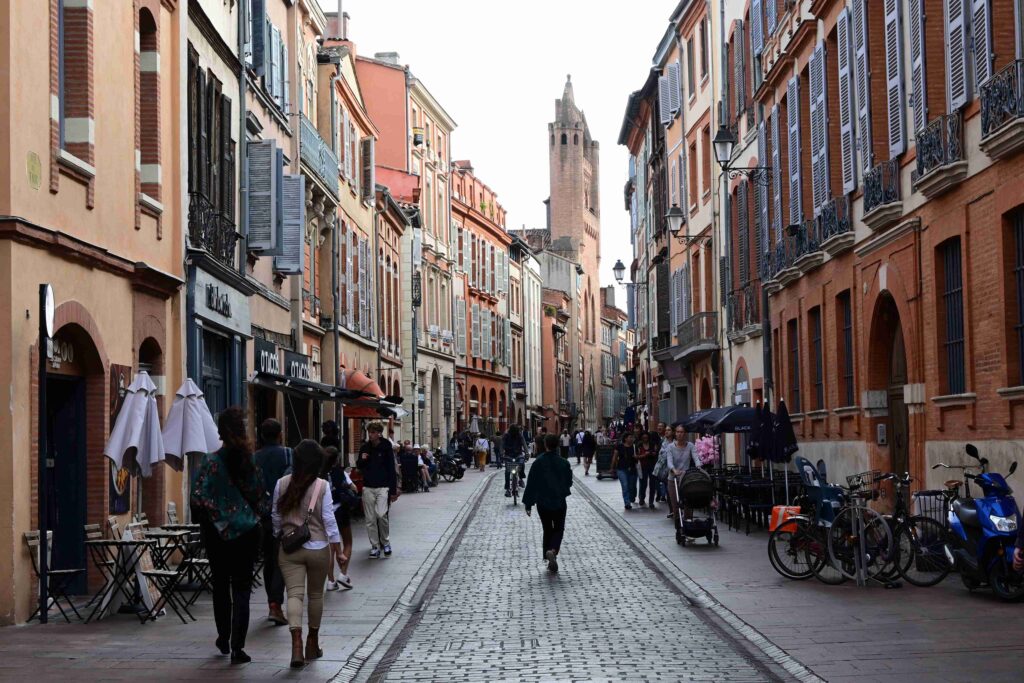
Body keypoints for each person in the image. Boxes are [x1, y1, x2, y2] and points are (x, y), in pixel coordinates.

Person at [190, 407, 265, 664]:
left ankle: (223, 636)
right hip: (246, 532)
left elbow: (197, 497)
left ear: (220, 431)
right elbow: (258, 494)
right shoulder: (249, 460)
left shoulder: (210, 462)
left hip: (217, 535)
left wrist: (216, 514)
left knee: (220, 586)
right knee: (242, 589)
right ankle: (238, 647)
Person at [272, 440, 344, 668]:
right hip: (317, 548)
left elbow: (275, 515)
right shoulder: (322, 486)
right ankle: (312, 643)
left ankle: (296, 645)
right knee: (315, 596)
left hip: (290, 549)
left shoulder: (281, 483)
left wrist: (280, 533)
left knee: (293, 595)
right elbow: (329, 520)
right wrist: (338, 550)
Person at [253, 419, 291, 625]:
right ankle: (276, 605)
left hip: (261, 517)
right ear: (279, 434)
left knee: (269, 561)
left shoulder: (253, 458)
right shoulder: (288, 454)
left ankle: (272, 604)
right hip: (284, 516)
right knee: (282, 561)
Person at [523, 433, 573, 573]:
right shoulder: (564, 462)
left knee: (547, 528)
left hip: (543, 502)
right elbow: (569, 482)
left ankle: (547, 553)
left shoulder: (538, 462)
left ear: (545, 445)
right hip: (558, 501)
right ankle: (553, 550)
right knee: (559, 528)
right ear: (557, 445)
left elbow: (532, 483)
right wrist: (562, 490)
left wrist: (528, 504)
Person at [357, 422, 398, 558]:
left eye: (373, 432)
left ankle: (385, 542)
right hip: (368, 487)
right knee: (370, 519)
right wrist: (362, 460)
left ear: (379, 433)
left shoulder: (386, 447)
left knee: (381, 515)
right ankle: (375, 546)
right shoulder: (365, 447)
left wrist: (393, 490)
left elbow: (391, 469)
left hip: (383, 487)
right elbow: (359, 466)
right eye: (369, 432)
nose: (370, 434)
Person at [321, 447, 354, 592]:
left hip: (325, 512)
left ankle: (330, 581)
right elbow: (353, 488)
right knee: (347, 541)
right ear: (336, 459)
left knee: (331, 548)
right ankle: (343, 574)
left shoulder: (319, 474)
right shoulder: (340, 472)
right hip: (340, 510)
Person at [665, 424, 696, 520]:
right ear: (675, 433)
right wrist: (674, 470)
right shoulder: (670, 447)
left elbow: (696, 457)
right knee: (675, 505)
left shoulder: (690, 446)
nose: (679, 434)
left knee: (688, 503)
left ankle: (689, 523)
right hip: (673, 479)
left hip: (685, 478)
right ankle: (679, 527)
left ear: (685, 434)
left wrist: (699, 466)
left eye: (681, 432)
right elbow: (669, 462)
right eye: (678, 432)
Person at [611, 432, 639, 510]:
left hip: (633, 469)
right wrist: (612, 467)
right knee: (625, 485)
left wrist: (637, 457)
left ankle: (632, 497)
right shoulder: (619, 447)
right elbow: (615, 457)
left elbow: (639, 457)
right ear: (625, 438)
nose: (631, 439)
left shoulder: (634, 447)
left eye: (632, 437)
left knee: (632, 486)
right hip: (621, 469)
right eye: (630, 437)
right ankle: (627, 503)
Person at [502, 425, 527, 496]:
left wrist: (527, 453)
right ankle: (507, 489)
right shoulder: (506, 436)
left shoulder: (519, 435)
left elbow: (524, 444)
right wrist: (501, 453)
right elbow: (502, 445)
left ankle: (521, 478)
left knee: (521, 464)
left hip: (518, 455)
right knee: (507, 471)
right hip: (508, 455)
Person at [637, 431, 657, 509]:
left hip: (652, 466)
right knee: (643, 484)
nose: (645, 439)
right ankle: (642, 498)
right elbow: (637, 456)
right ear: (641, 438)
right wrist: (645, 455)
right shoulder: (639, 445)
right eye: (643, 437)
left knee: (652, 485)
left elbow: (655, 452)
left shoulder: (652, 444)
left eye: (646, 437)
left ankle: (651, 501)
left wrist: (652, 453)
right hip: (642, 466)